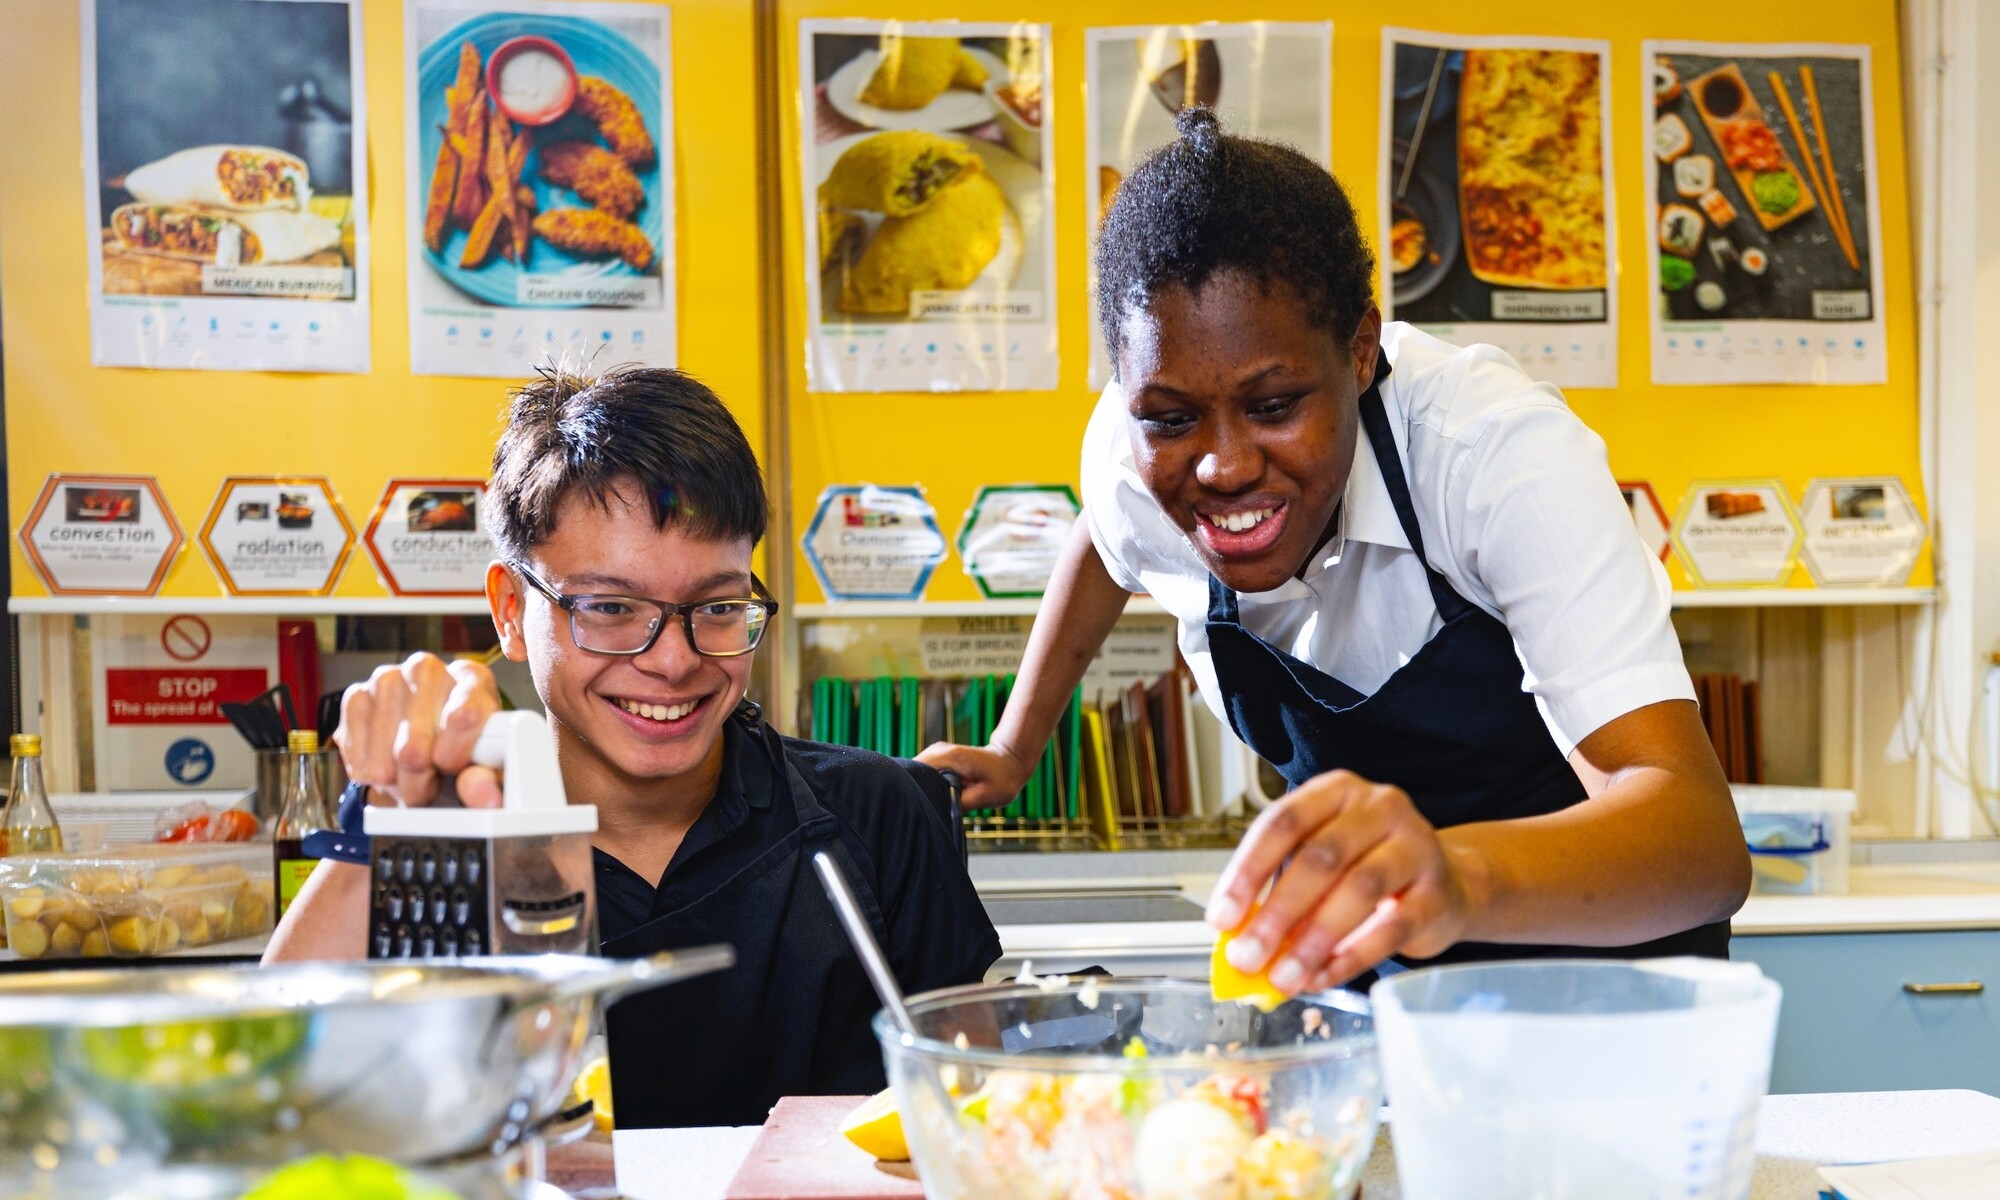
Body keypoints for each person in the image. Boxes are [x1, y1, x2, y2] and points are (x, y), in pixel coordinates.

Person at [921, 107, 1749, 996]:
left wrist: (1451, 876)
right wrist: (1016, 746)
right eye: (1168, 419)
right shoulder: (1137, 450)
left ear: (1359, 351)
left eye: (1275, 405)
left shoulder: (1493, 456)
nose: (1224, 465)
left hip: (1608, 987)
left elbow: (1700, 850)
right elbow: (1107, 539)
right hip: (1375, 978)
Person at [268, 364, 1001, 1128]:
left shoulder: (879, 816)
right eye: (612, 607)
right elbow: (269, 1094)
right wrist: (386, 820)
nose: (674, 659)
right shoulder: (450, 841)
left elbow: (987, 1108)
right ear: (511, 610)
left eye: (717, 606)